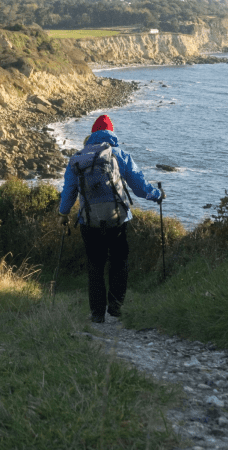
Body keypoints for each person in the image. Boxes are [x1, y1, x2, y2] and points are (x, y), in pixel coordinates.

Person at [58, 114, 164, 323]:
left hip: (88, 221)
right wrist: (158, 195)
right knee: (119, 262)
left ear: (92, 134)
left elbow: (69, 191)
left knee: (95, 266)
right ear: (111, 133)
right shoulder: (119, 155)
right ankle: (115, 307)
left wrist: (63, 214)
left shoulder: (77, 158)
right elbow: (140, 187)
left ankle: (97, 314)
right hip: (118, 220)